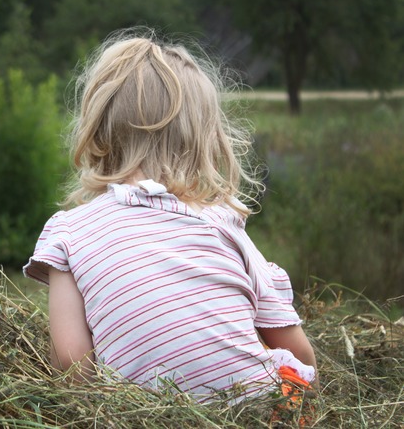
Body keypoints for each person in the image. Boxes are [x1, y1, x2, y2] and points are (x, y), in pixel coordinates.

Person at [23, 28, 318, 403]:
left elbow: (72, 366)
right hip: (260, 408)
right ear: (204, 138)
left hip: (139, 414)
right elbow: (299, 353)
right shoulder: (220, 222)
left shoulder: (68, 232)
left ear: (97, 130)